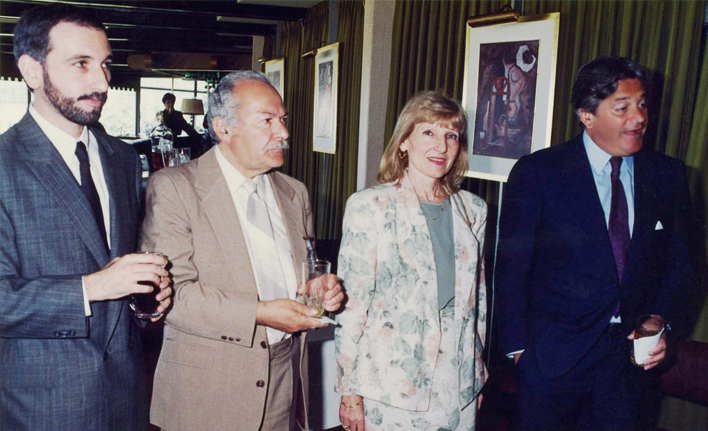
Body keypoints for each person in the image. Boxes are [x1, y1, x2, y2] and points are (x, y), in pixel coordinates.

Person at [495, 56, 694, 431]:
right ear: (587, 115)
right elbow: (511, 269)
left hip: (629, 369)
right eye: (622, 108)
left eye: (643, 104)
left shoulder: (668, 176)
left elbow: (681, 265)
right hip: (551, 364)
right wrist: (519, 351)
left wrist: (660, 319)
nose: (639, 117)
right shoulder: (540, 173)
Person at [141, 70, 344, 431]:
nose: (283, 132)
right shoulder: (175, 188)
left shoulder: (294, 193)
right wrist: (261, 313)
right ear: (224, 129)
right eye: (266, 120)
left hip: (285, 386)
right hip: (208, 396)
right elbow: (175, 299)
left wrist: (321, 287)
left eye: (282, 120)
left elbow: (305, 273)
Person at [0, 4, 172, 430]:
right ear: (31, 71)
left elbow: (119, 266)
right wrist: (92, 288)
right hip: (41, 406)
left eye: (105, 65)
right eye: (80, 64)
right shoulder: (4, 165)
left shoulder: (122, 159)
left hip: (127, 397)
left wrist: (146, 304)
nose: (102, 82)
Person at [336, 91, 488, 431]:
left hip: (457, 381)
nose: (442, 146)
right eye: (428, 133)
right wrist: (349, 391)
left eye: (451, 135)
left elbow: (478, 303)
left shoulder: (473, 209)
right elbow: (353, 306)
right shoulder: (370, 206)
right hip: (391, 383)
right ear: (404, 142)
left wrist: (474, 375)